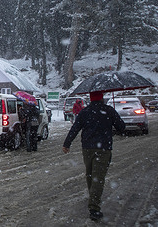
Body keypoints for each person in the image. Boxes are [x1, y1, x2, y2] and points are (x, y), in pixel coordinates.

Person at [62, 91, 125, 221]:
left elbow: (75, 128)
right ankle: (94, 208)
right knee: (98, 177)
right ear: (101, 98)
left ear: (90, 99)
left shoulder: (85, 112)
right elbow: (121, 127)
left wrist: (67, 143)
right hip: (103, 148)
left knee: (90, 175)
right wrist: (112, 121)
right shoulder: (109, 110)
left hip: (87, 148)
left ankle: (93, 198)